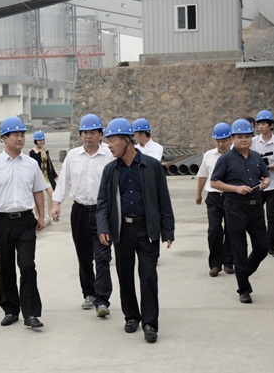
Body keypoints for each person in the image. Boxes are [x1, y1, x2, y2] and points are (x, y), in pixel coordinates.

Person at [96, 118, 175, 343]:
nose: (109, 146)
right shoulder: (110, 170)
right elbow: (103, 202)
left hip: (147, 229)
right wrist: (103, 227)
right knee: (125, 275)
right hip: (122, 231)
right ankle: (131, 316)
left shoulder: (152, 167)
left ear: (126, 140)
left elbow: (163, 199)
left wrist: (168, 230)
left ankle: (150, 323)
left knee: (148, 276)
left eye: (112, 141)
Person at [0, 116, 47, 328]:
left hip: (25, 220)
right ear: (4, 138)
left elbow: (38, 191)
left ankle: (31, 313)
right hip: (2, 221)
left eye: (22, 134)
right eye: (15, 134)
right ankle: (10, 309)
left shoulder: (31, 164)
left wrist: (41, 215)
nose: (20, 138)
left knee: (27, 265)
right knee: (6, 266)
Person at [51, 114, 114, 316]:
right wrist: (56, 203)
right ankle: (89, 293)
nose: (88, 136)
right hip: (79, 212)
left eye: (93, 132)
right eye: (85, 133)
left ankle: (102, 300)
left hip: (102, 212)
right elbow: (63, 181)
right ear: (80, 135)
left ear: (100, 135)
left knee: (102, 256)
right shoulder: (73, 156)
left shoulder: (109, 156)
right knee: (84, 256)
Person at [210, 119, 270, 304]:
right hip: (235, 207)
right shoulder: (226, 159)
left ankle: (243, 273)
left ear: (252, 137)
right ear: (233, 138)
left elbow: (265, 175)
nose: (244, 140)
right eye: (239, 137)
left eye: (247, 136)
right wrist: (235, 189)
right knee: (239, 249)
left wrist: (266, 182)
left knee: (262, 248)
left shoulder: (256, 157)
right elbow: (214, 182)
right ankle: (244, 289)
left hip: (256, 207)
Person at [195, 122, 234, 277]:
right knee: (214, 230)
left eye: (224, 141)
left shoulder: (236, 155)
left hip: (232, 197)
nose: (221, 144)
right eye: (218, 141)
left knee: (231, 229)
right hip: (214, 198)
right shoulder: (209, 155)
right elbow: (202, 175)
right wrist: (198, 193)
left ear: (230, 139)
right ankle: (215, 264)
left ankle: (229, 262)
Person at [251, 110, 274, 257]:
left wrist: (270, 168)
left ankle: (270, 246)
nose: (261, 126)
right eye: (259, 124)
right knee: (256, 217)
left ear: (271, 125)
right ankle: (259, 245)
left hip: (273, 185)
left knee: (272, 218)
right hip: (258, 186)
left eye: (264, 123)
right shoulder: (254, 142)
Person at [29, 130, 58, 218]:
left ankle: (49, 213)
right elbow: (31, 166)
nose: (41, 142)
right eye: (39, 140)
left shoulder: (45, 151)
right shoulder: (33, 152)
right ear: (35, 141)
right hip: (38, 177)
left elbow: (49, 164)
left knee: (52, 194)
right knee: (37, 196)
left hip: (47, 177)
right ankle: (37, 214)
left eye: (42, 140)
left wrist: (55, 175)